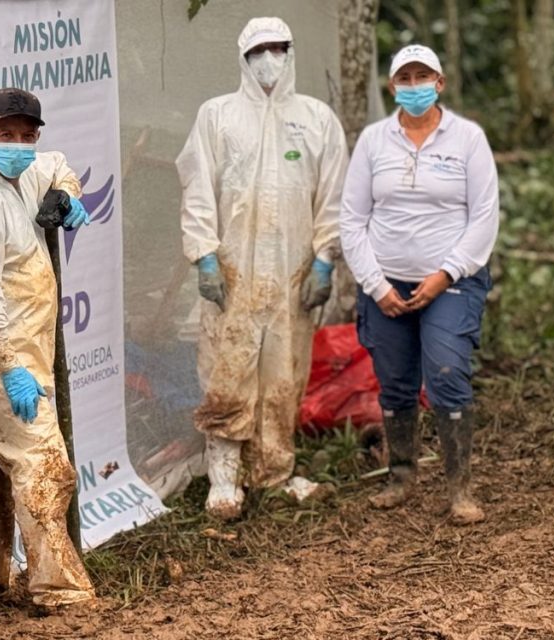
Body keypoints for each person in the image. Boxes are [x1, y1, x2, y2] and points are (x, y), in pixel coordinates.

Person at [177, 17, 349, 520]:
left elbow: (333, 197)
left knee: (284, 375)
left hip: (294, 277)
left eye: (278, 48)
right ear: (243, 57)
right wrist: (204, 253)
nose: (269, 59)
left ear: (290, 52)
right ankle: (224, 479)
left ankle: (274, 470)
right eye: (259, 51)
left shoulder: (317, 119)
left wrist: (324, 259)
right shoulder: (218, 116)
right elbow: (197, 188)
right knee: (226, 372)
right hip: (233, 274)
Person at [0, 88, 95, 609]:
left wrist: (68, 195)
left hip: (28, 349)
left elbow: (57, 166)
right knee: (43, 465)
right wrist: (10, 367)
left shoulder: (23, 169)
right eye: (6, 135)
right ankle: (60, 590)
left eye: (27, 135)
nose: (19, 145)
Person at [340, 44, 499, 525]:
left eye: (423, 77)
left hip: (450, 280)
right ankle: (401, 476)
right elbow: (352, 219)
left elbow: (485, 217)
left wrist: (445, 273)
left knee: (448, 373)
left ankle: (460, 488)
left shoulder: (468, 139)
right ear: (393, 87)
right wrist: (375, 284)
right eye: (405, 79)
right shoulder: (373, 141)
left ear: (440, 83)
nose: (414, 86)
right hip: (385, 282)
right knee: (395, 380)